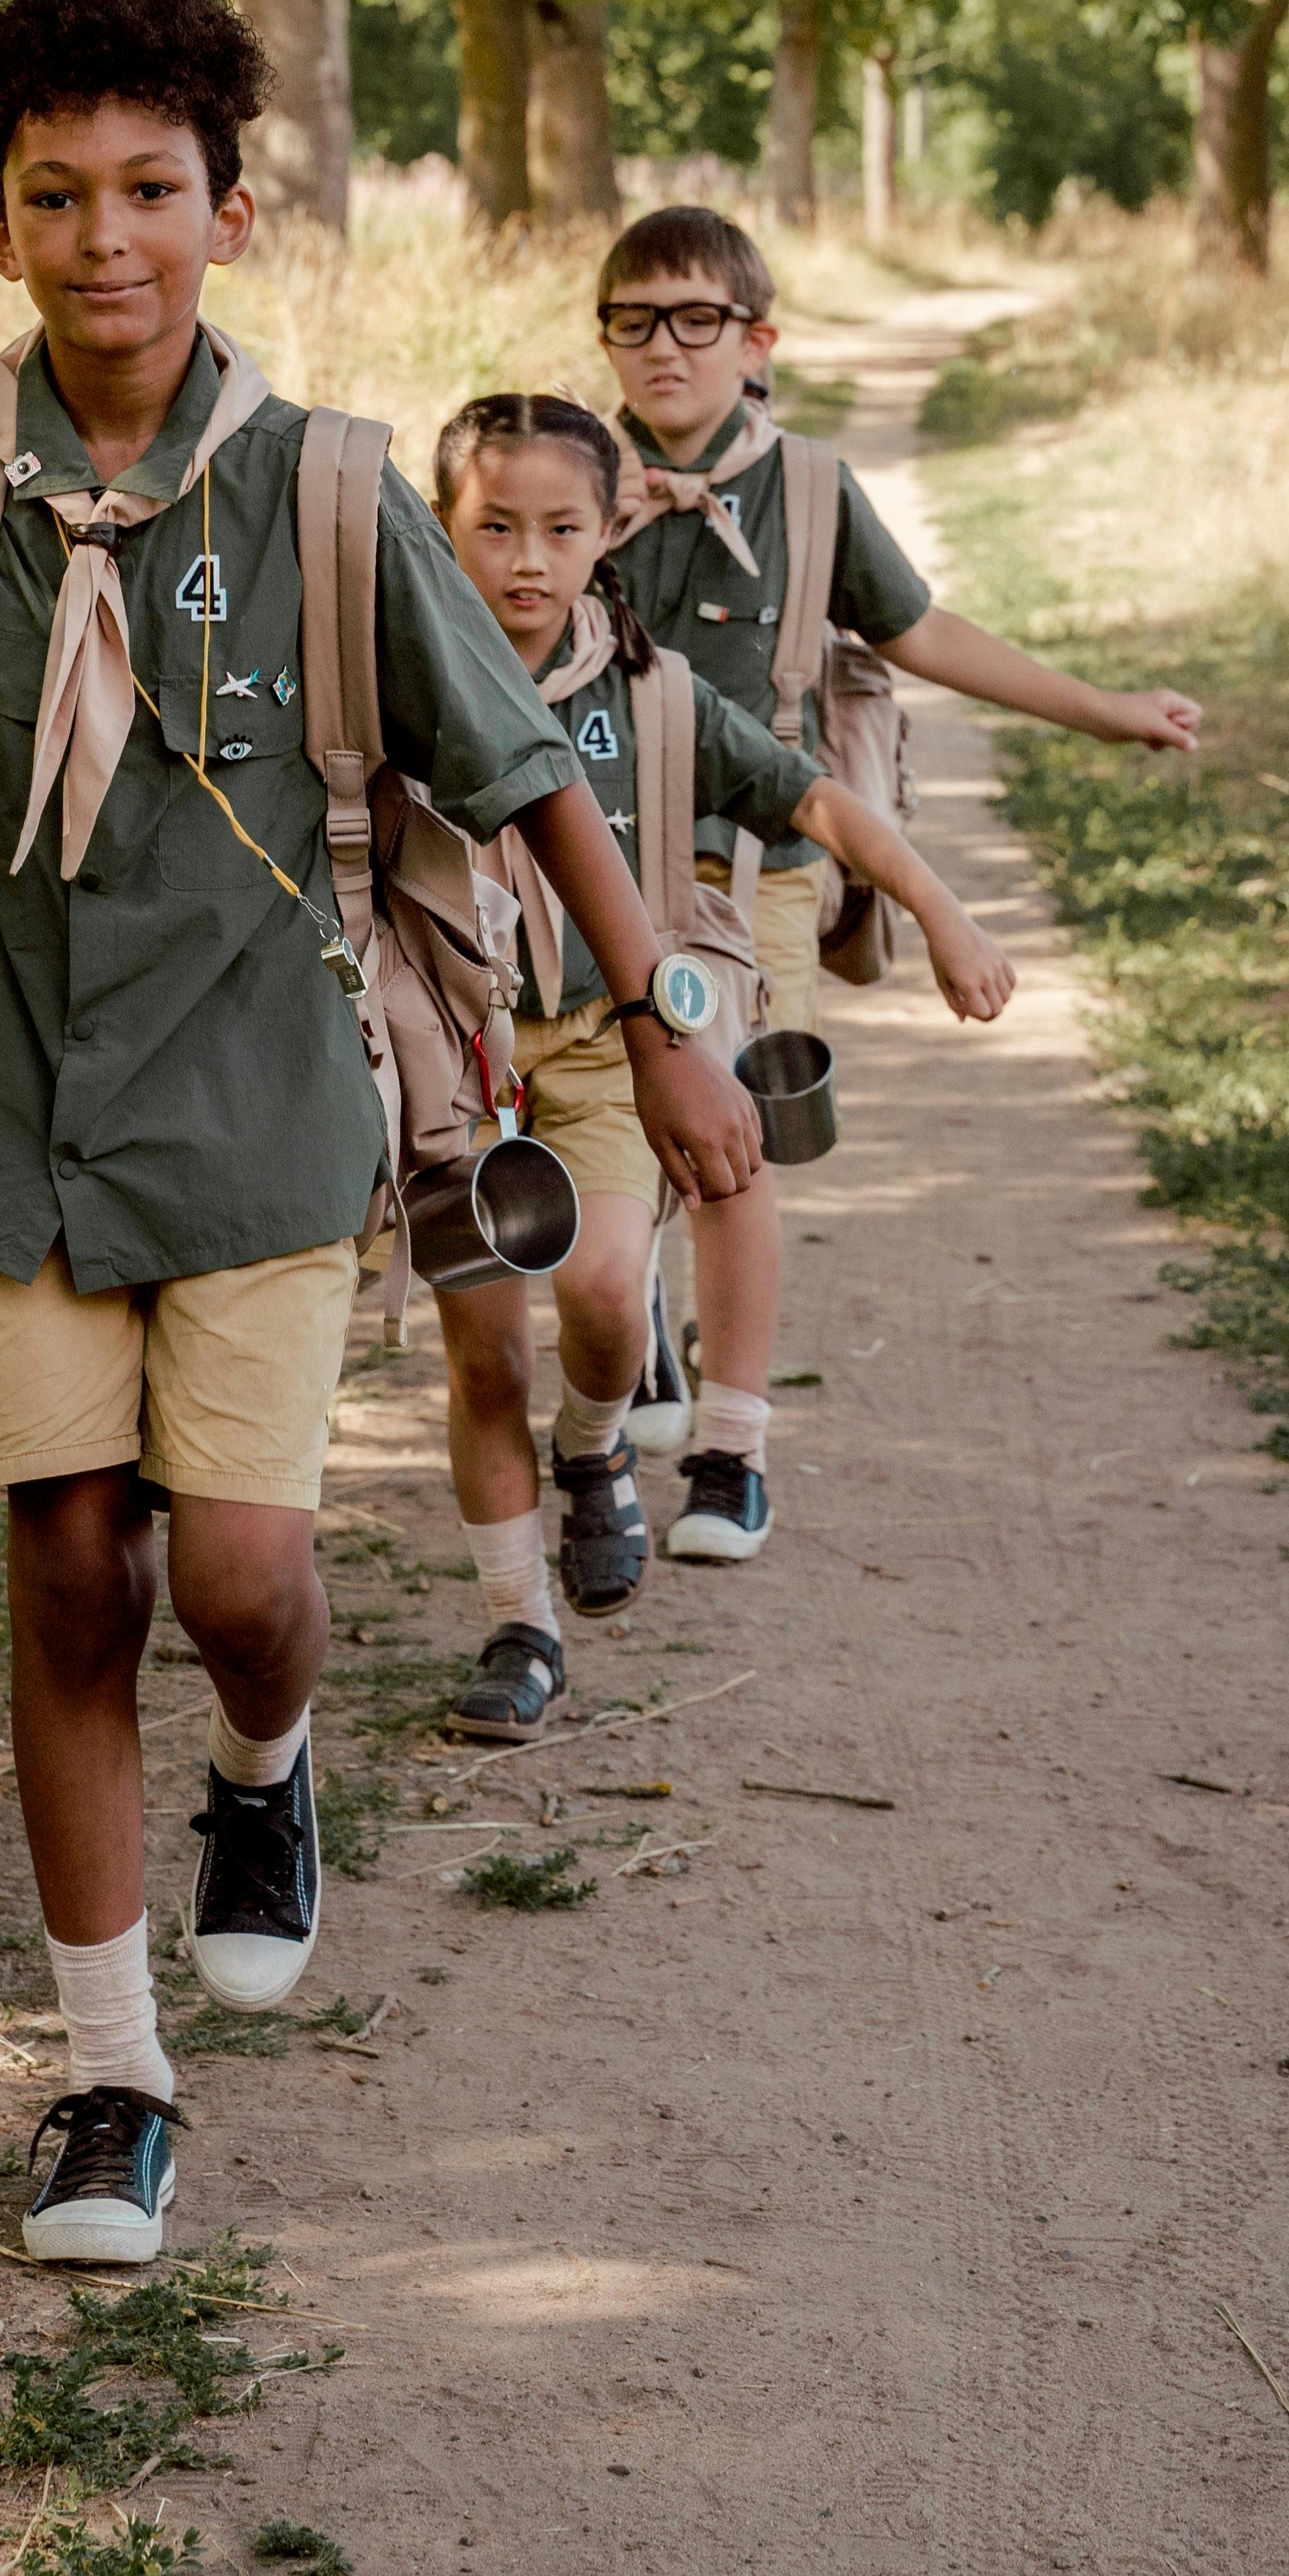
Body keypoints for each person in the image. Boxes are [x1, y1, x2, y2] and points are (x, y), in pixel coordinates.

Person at [0, 0, 757, 2267]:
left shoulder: (335, 490)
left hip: (255, 1117)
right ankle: (106, 2077)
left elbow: (527, 772)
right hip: (9, 1116)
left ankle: (268, 1768)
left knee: (240, 1582)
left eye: (152, 189)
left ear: (231, 213)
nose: (104, 235)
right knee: (67, 1569)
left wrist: (658, 1016)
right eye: (55, 195)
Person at [592, 202, 1200, 1556]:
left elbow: (922, 634)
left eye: (695, 320)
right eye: (631, 322)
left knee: (737, 1140)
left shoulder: (809, 488)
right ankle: (633, 1334)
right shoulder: (571, 473)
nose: (661, 349)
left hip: (760, 870)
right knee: (609, 1124)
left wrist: (1102, 706)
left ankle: (733, 1452)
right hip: (592, 866)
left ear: (757, 340)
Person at [428, 396, 1015, 1707]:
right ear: (438, 532)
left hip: (595, 1053)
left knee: (597, 1298)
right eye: (494, 527)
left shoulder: (654, 693)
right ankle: (521, 1629)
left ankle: (593, 1450)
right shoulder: (391, 691)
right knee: (484, 1356)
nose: (527, 558)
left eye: (562, 527)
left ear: (607, 535)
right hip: (446, 1062)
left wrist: (942, 908)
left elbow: (811, 798)